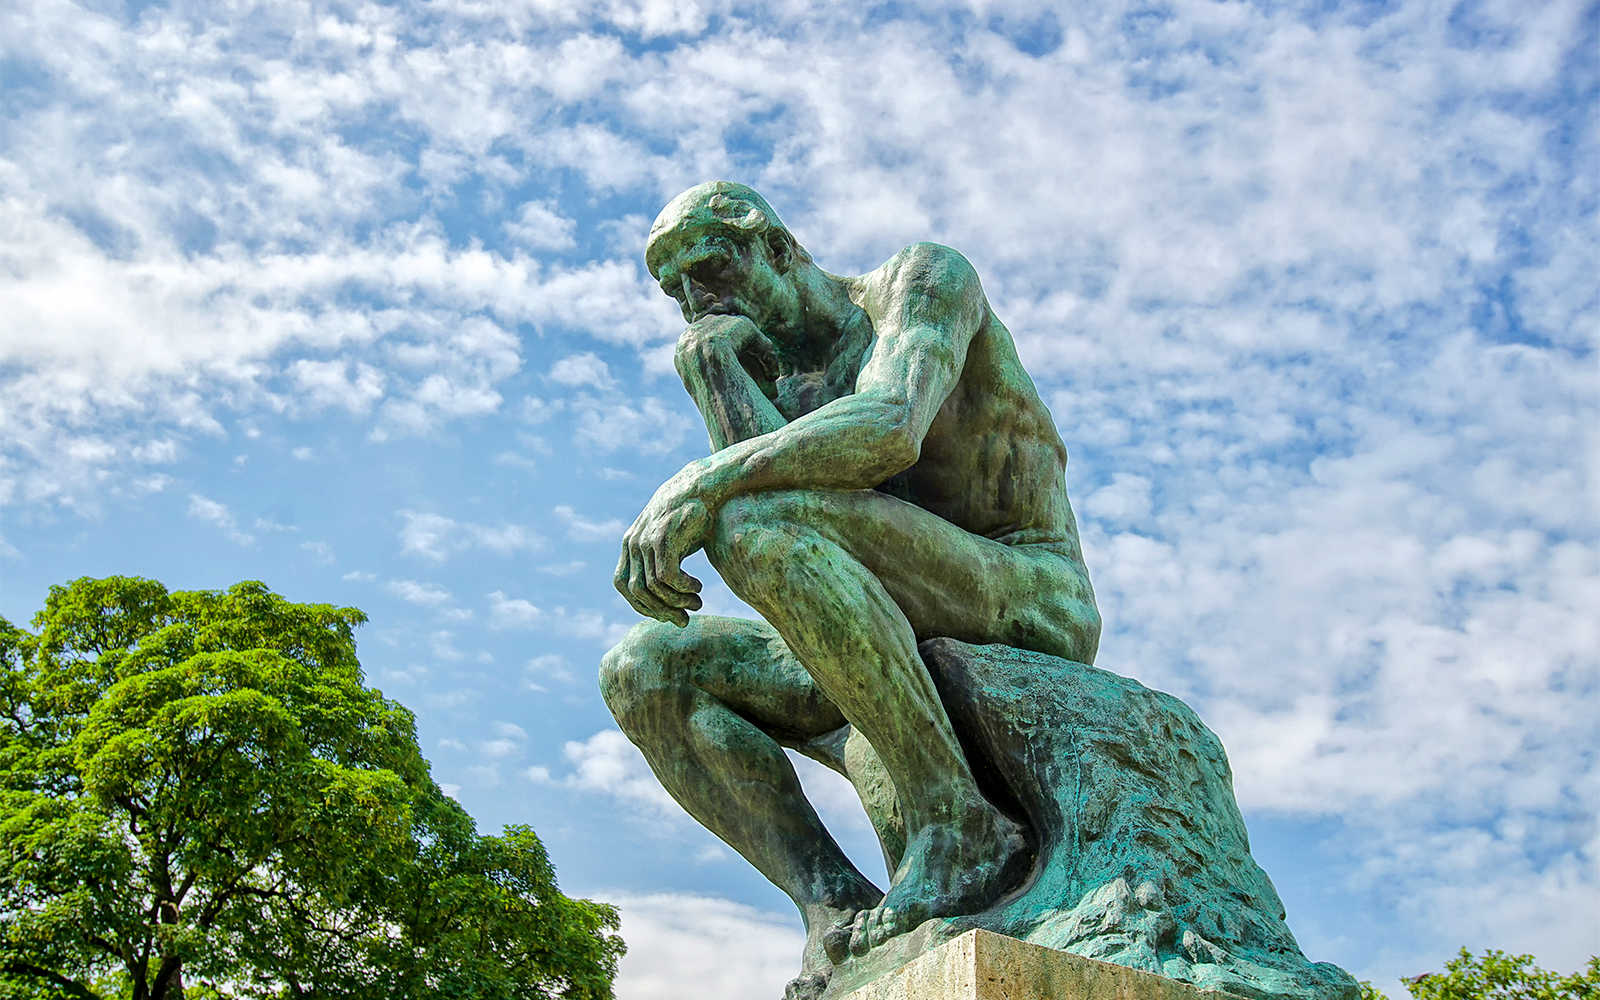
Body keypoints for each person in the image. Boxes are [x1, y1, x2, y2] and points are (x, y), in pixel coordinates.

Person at [598, 182, 1100, 993]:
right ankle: (830, 907)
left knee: (747, 520)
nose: (695, 300)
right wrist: (711, 372)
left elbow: (890, 427)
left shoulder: (920, 282)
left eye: (710, 267)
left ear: (777, 247)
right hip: (880, 603)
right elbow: (777, 517)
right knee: (645, 669)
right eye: (674, 290)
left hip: (1018, 589)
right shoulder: (761, 372)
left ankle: (959, 822)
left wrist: (697, 483)